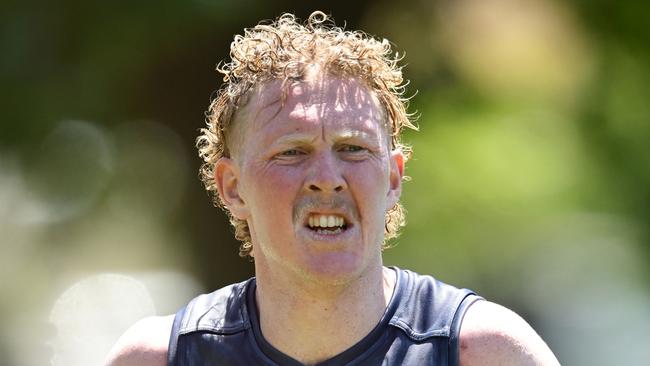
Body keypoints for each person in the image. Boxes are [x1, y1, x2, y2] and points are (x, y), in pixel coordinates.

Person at [106, 11, 560, 366]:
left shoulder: (484, 353)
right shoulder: (158, 359)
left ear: (394, 178)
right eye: (292, 152)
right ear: (233, 187)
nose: (328, 176)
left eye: (353, 148)